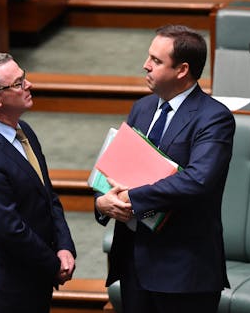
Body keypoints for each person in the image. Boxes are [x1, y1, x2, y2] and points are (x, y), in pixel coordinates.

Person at [95, 25, 235, 313]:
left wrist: (132, 197)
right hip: (134, 263)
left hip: (183, 270)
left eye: (156, 61)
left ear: (182, 70)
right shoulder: (142, 109)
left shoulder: (214, 118)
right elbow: (114, 169)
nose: (145, 65)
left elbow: (198, 180)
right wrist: (102, 202)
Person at [0, 52, 76, 313]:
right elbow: (9, 230)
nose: (29, 85)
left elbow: (48, 196)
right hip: (9, 289)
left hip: (36, 275)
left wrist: (65, 246)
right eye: (18, 83)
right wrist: (53, 264)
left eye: (25, 77)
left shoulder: (24, 131)